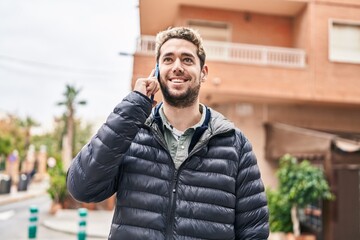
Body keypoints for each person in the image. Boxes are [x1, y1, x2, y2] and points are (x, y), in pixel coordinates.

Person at [67, 27, 269, 240]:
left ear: (204, 73)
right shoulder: (131, 133)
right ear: (156, 71)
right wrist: (135, 105)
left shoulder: (235, 144)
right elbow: (82, 187)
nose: (177, 67)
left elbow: (254, 232)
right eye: (168, 59)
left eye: (187, 60)